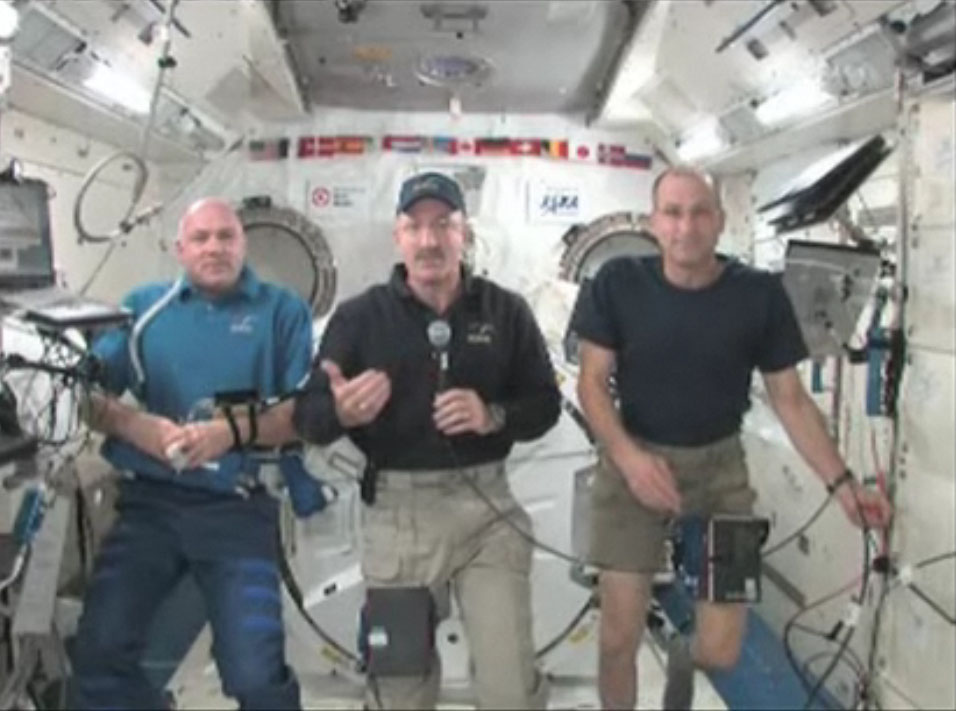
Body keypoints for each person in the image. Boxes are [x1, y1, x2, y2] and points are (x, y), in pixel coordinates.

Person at [571, 166, 893, 710]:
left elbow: (790, 398)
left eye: (700, 212)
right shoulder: (618, 284)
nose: (685, 226)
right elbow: (592, 384)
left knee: (723, 649)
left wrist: (842, 487)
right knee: (617, 639)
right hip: (632, 468)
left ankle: (683, 652)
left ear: (719, 222)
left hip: (722, 474)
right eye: (672, 213)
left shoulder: (758, 295)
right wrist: (629, 460)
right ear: (654, 222)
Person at [293, 172, 560, 709]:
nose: (429, 239)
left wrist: (494, 415)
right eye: (414, 226)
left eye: (444, 224)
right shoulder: (360, 317)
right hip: (399, 518)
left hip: (489, 511)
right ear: (398, 237)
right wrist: (341, 410)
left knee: (510, 688)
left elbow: (545, 405)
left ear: (465, 235)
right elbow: (308, 416)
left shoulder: (505, 311)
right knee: (400, 690)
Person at [70, 198, 311, 710]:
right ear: (179, 249)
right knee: (98, 651)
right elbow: (84, 396)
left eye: (226, 236)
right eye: (201, 238)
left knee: (254, 675)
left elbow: (303, 413)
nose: (214, 247)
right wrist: (136, 426)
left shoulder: (282, 310)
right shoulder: (143, 308)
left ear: (244, 244)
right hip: (151, 506)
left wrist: (229, 434)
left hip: (237, 509)